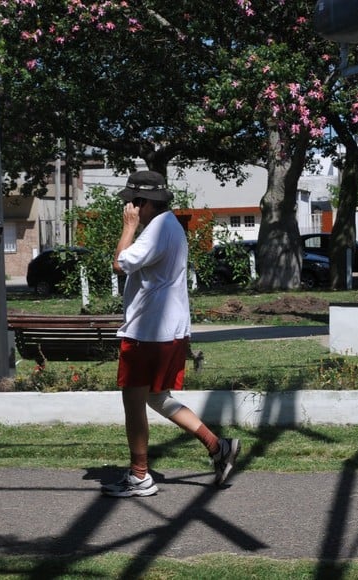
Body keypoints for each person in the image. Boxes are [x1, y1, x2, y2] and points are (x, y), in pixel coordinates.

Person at [101, 170, 240, 498]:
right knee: (157, 397)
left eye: (132, 202)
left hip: (148, 331)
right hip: (169, 330)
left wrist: (128, 228)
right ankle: (218, 446)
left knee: (134, 402)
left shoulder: (156, 229)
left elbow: (119, 263)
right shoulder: (171, 226)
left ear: (144, 202)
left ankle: (140, 476)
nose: (129, 208)